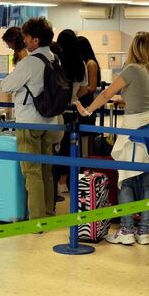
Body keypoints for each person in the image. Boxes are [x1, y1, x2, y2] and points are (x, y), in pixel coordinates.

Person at [75, 32, 149, 245]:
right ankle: (143, 231)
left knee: (126, 181)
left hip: (133, 132)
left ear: (134, 48)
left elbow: (106, 94)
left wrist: (88, 110)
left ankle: (126, 230)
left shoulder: (132, 69)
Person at [0, 17, 64, 220]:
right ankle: (48, 211)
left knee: (31, 172)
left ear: (35, 40)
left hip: (29, 121)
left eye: (26, 37)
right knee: (46, 169)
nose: (24, 41)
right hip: (50, 121)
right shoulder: (54, 58)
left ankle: (36, 219)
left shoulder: (29, 63)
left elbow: (5, 86)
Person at [53, 29, 88, 194]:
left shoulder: (57, 61)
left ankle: (55, 180)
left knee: (55, 145)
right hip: (73, 109)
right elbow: (84, 88)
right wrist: (74, 97)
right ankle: (65, 181)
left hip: (57, 110)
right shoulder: (81, 63)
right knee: (70, 145)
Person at [77, 36, 101, 127]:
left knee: (87, 131)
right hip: (82, 101)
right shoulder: (82, 63)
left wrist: (78, 89)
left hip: (87, 102)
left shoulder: (90, 64)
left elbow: (92, 87)